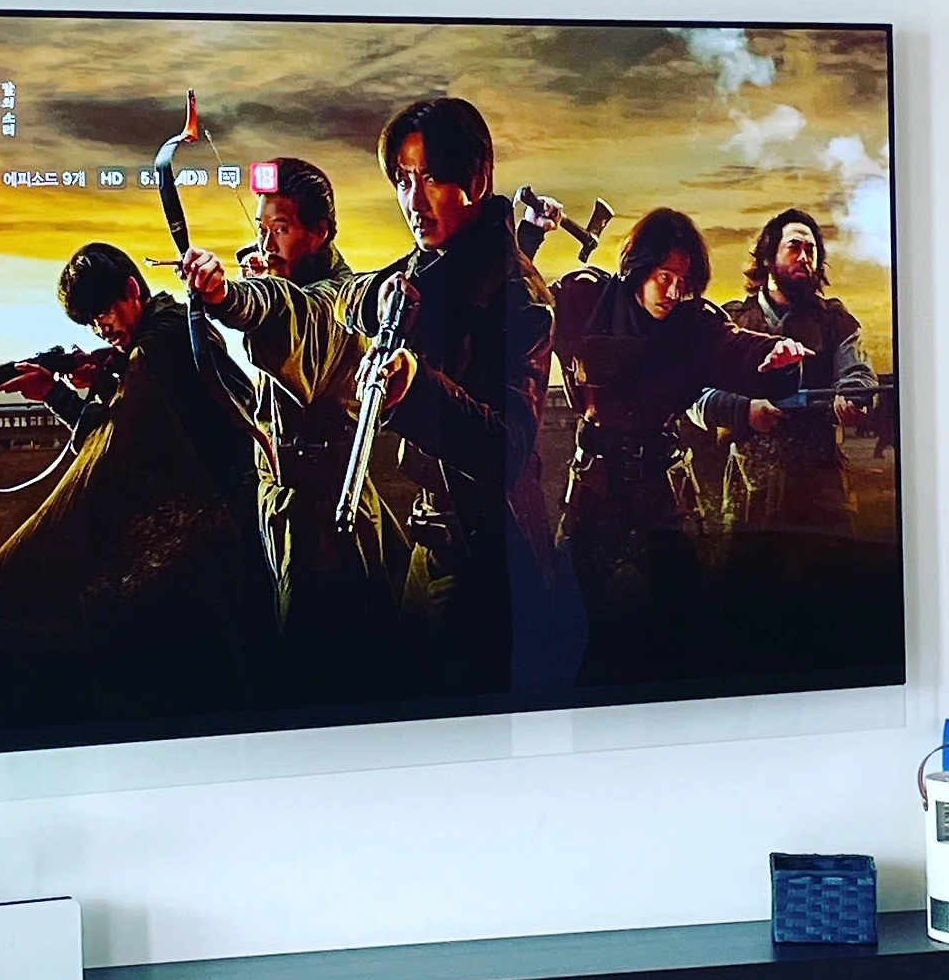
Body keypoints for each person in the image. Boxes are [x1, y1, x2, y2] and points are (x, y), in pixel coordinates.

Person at [0, 243, 272, 719]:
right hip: (210, 523)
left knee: (197, 676)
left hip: (215, 525)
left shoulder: (159, 344)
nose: (101, 328)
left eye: (104, 312)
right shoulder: (158, 338)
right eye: (91, 322)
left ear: (132, 289)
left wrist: (59, 392)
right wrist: (96, 378)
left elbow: (112, 438)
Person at [335, 96, 575, 701]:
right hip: (430, 542)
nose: (414, 201)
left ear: (477, 180)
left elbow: (510, 449)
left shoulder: (520, 295)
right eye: (403, 181)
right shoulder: (432, 264)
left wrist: (413, 386)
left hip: (488, 555)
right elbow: (356, 296)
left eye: (432, 179)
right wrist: (378, 299)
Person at [541, 208, 811, 685]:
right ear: (640, 267)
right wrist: (530, 234)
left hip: (659, 485)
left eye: (682, 282)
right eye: (664, 276)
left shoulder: (694, 323)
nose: (671, 292)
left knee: (683, 615)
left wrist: (774, 354)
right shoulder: (584, 299)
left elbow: (734, 345)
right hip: (596, 484)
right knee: (565, 614)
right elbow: (521, 310)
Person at [180, 158, 408, 707]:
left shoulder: (340, 299)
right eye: (261, 227)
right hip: (282, 500)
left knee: (328, 668)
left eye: (280, 228)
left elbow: (290, 314)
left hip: (324, 510)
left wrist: (227, 296)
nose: (267, 241)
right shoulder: (286, 279)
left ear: (319, 232)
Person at [691, 209, 874, 536]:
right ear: (768, 257)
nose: (804, 258)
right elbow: (696, 397)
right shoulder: (730, 322)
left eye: (810, 250)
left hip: (821, 489)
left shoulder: (834, 320)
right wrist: (743, 410)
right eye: (794, 247)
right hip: (749, 490)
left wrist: (852, 397)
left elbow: (857, 372)